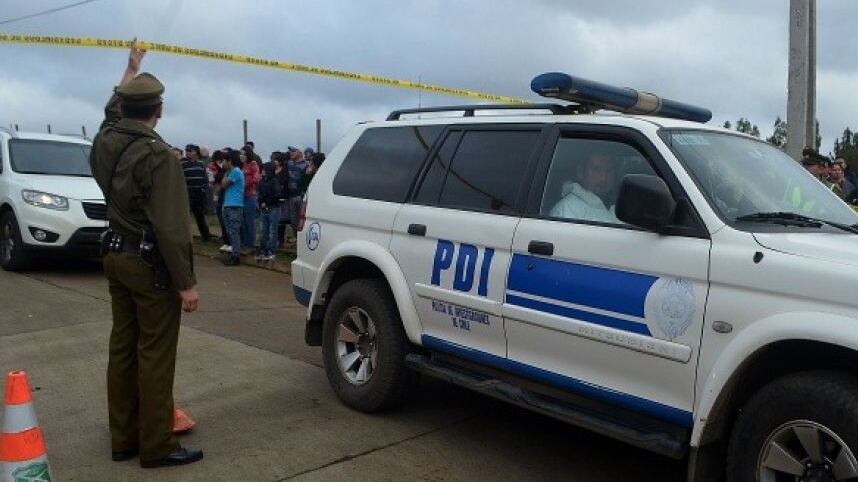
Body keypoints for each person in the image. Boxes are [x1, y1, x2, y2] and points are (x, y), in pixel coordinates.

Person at [88, 40, 202, 468]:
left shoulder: (105, 141)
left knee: (123, 347)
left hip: (115, 255)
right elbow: (172, 228)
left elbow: (109, 114)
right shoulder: (158, 156)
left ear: (124, 107)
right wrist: (186, 283)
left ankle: (124, 438)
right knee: (155, 354)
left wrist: (130, 71)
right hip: (148, 265)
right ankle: (156, 446)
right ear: (159, 110)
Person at [549, 153, 620, 224]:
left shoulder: (620, 207)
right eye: (596, 169)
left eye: (609, 170)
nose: (603, 178)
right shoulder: (566, 209)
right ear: (580, 172)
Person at [181, 144, 212, 242]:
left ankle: (206, 236)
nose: (188, 152)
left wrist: (204, 190)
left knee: (200, 216)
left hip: (199, 193)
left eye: (190, 150)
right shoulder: (183, 164)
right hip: (188, 193)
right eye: (186, 151)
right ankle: (185, 236)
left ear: (196, 152)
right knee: (185, 216)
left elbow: (205, 179)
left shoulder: (201, 164)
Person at [221, 150, 245, 265]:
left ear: (229, 161)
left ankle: (235, 256)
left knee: (233, 232)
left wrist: (226, 174)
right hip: (229, 205)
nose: (223, 163)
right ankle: (234, 254)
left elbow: (224, 184)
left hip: (235, 206)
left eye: (224, 161)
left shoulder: (235, 171)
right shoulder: (231, 172)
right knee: (230, 231)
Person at [256, 162, 282, 261]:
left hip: (273, 208)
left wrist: (266, 202)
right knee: (263, 232)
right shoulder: (261, 181)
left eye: (264, 169)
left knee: (272, 232)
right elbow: (259, 194)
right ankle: (263, 251)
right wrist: (261, 203)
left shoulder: (275, 181)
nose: (262, 171)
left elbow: (277, 195)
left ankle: (272, 252)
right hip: (264, 209)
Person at [286, 148, 309, 240]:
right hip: (291, 195)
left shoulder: (306, 165)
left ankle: (302, 239)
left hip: (301, 196)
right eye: (290, 151)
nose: (291, 153)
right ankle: (296, 238)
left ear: (299, 153)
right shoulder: (289, 163)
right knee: (293, 219)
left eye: (293, 151)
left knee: (302, 219)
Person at [240, 148, 260, 251]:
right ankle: (244, 242)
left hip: (250, 195)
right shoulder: (240, 165)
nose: (241, 156)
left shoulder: (253, 164)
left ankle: (250, 243)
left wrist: (245, 184)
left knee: (249, 221)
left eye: (243, 154)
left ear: (248, 155)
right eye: (240, 154)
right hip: (241, 196)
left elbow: (256, 178)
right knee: (242, 221)